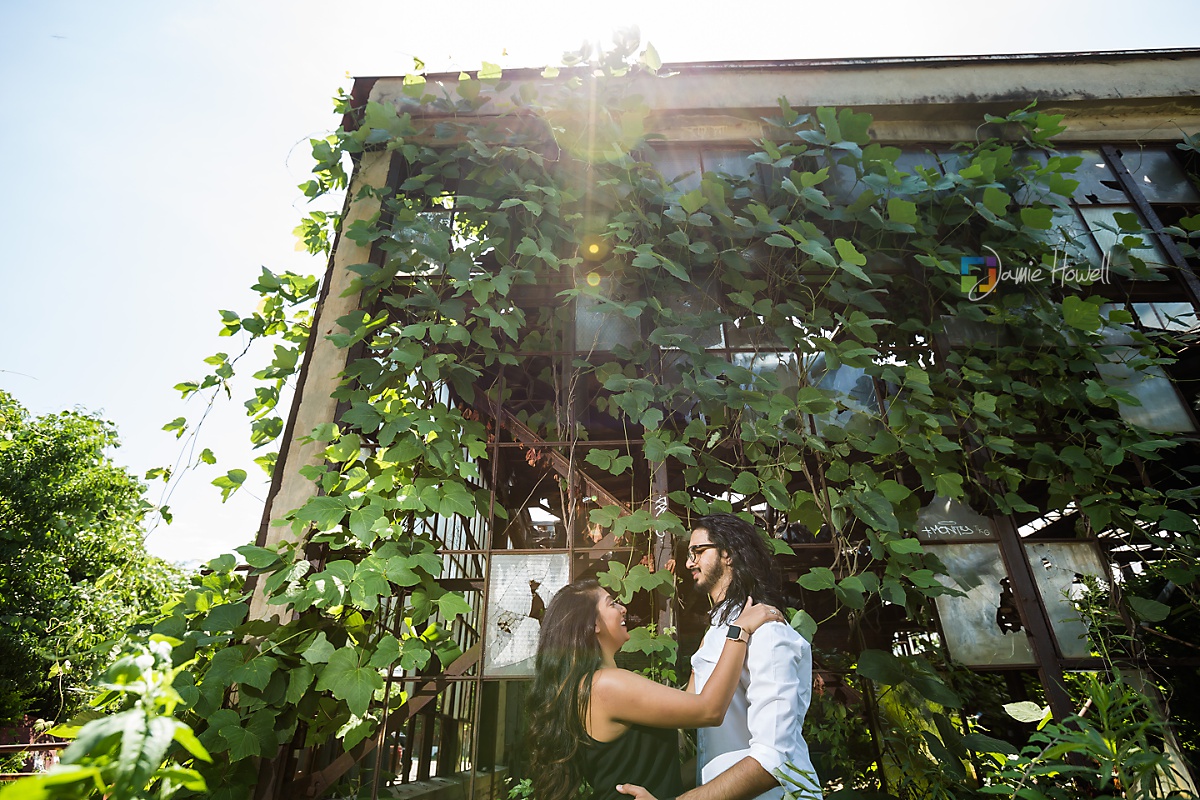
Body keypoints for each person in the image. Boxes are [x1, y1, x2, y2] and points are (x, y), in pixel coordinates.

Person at [618, 513, 821, 800]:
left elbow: (774, 759)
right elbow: (706, 738)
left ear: (728, 554)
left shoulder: (766, 629)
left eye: (698, 551)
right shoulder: (718, 634)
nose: (689, 563)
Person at [526, 578, 785, 800]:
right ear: (593, 625)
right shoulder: (606, 684)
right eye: (612, 603)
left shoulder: (593, 686)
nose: (623, 608)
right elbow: (710, 710)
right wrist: (739, 631)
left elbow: (689, 706)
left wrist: (701, 658)